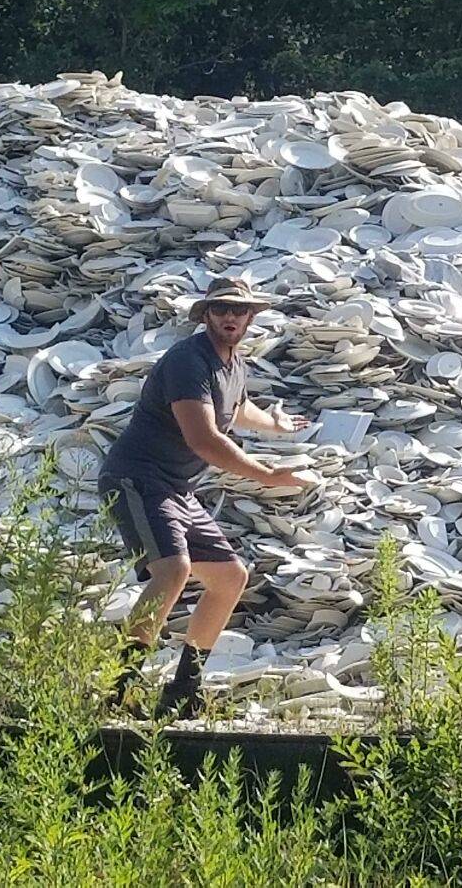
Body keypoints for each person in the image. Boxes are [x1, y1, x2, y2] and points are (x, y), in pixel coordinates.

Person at [98, 277, 311, 718]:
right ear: (207, 315)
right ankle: (119, 691)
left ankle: (184, 690)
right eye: (221, 309)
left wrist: (274, 424)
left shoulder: (234, 364)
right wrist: (268, 475)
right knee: (173, 569)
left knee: (231, 577)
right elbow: (204, 438)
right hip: (137, 478)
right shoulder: (187, 361)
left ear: (251, 317)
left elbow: (237, 408)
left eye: (239, 310)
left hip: (178, 488)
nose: (230, 317)